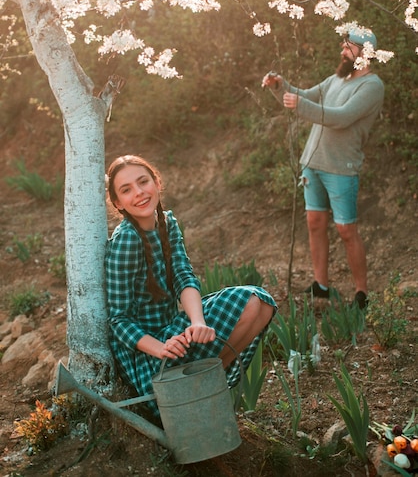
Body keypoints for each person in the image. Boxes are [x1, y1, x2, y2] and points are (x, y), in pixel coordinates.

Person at [105, 154, 277, 417]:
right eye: (126, 190)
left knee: (260, 304)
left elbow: (184, 276)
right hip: (147, 356)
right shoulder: (127, 240)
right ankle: (186, 398)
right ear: (118, 203)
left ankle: (201, 390)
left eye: (143, 182)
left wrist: (197, 322)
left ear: (157, 183)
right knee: (252, 301)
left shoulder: (166, 224)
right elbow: (118, 320)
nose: (139, 193)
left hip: (174, 334)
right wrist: (161, 348)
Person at [261, 28, 384, 309]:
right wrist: (280, 86)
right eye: (343, 45)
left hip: (341, 167)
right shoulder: (336, 79)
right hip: (312, 163)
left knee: (346, 230)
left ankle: (361, 293)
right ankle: (322, 287)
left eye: (349, 47)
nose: (342, 50)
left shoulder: (372, 86)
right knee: (314, 224)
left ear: (366, 53)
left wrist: (300, 104)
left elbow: (342, 118)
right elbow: (304, 96)